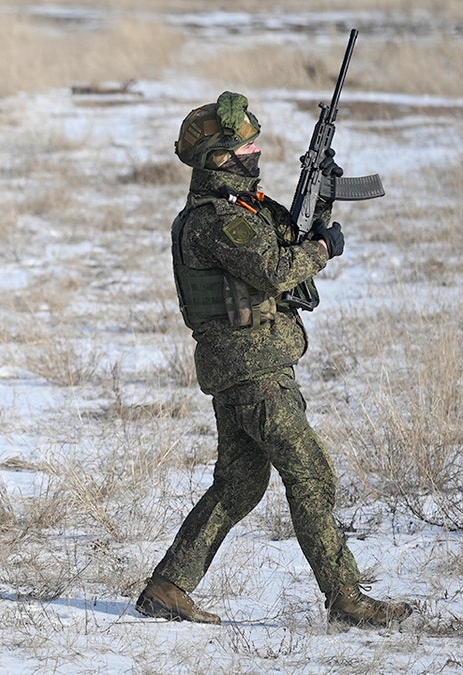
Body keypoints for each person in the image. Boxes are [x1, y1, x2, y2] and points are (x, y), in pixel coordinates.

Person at [136, 91, 413, 628]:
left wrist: (324, 192)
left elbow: (291, 235)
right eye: (245, 145)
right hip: (253, 372)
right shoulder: (214, 220)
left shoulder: (246, 208)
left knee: (239, 485)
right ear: (218, 157)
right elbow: (274, 268)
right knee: (311, 475)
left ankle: (168, 586)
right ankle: (346, 599)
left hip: (244, 369)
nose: (256, 151)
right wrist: (324, 252)